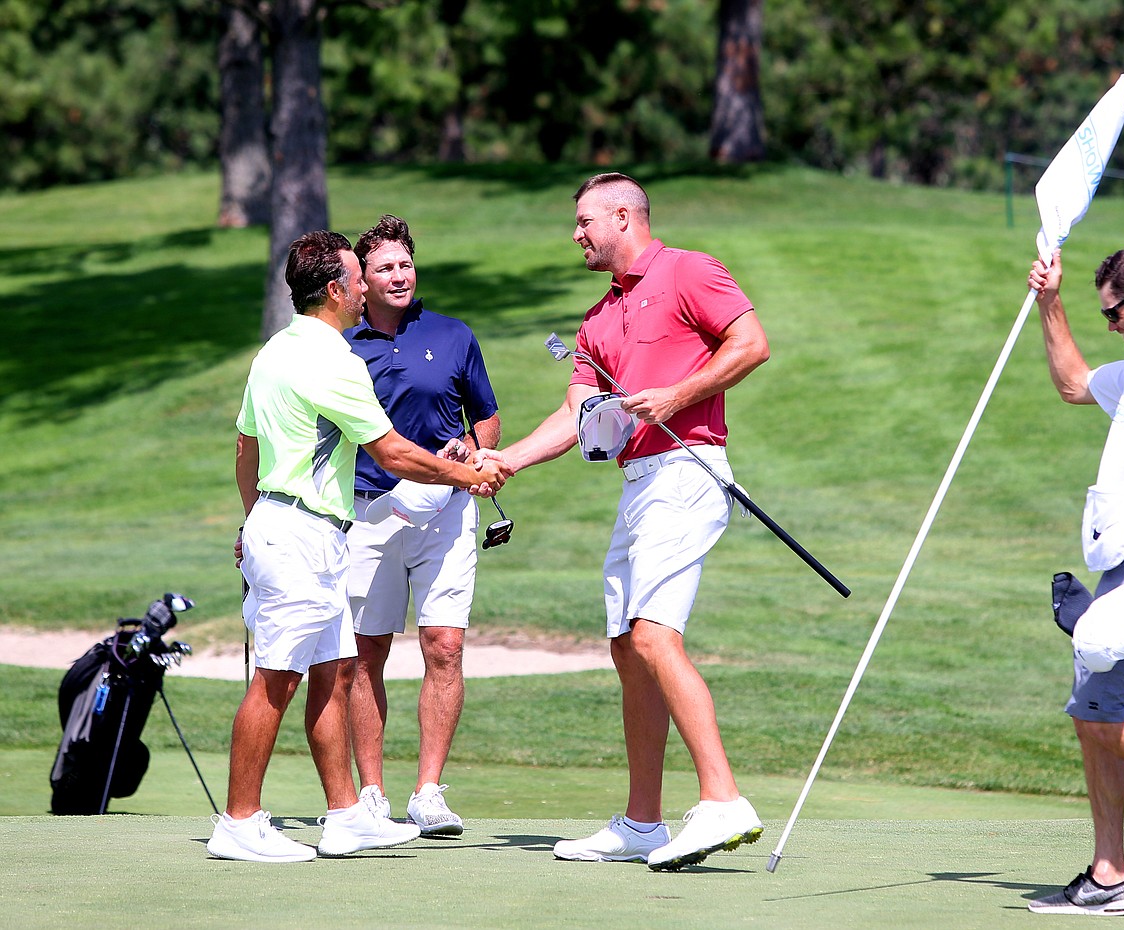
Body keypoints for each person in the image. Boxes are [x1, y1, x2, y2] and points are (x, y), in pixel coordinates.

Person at [488, 172, 770, 871]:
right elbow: (574, 415)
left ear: (624, 215)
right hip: (639, 483)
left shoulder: (688, 272)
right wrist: (506, 460)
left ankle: (723, 800)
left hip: (689, 471)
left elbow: (750, 344)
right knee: (626, 645)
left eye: (586, 221)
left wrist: (678, 393)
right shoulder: (595, 321)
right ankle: (643, 821)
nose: (577, 234)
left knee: (652, 635)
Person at [207, 230, 509, 863]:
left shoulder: (274, 351)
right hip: (301, 536)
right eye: (359, 277)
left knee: (335, 671)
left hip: (300, 528)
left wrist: (257, 517)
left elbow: (246, 447)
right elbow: (390, 451)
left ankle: (346, 816)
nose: (370, 285)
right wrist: (470, 474)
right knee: (275, 682)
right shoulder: (333, 359)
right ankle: (238, 822)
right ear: (340, 289)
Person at [344, 214, 500, 836]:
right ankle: (372, 793)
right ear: (362, 279)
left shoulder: (453, 334)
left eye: (405, 264)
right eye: (384, 267)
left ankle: (428, 792)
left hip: (447, 512)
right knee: (365, 655)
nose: (399, 275)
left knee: (445, 646)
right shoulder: (344, 345)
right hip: (370, 510)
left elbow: (485, 417)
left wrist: (475, 449)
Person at [1027, 247, 1124, 916]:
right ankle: (1109, 876)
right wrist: (1048, 302)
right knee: (1092, 709)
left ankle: (1111, 879)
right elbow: (1074, 383)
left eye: (1114, 310)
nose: (1110, 323)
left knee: (1097, 709)